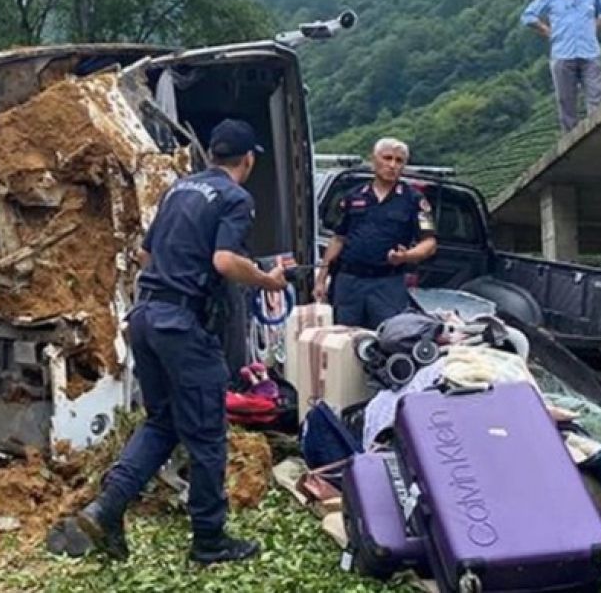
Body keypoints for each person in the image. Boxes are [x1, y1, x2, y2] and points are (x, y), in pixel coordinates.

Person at [46, 119, 286, 565]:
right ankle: (210, 540)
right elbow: (225, 260)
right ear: (248, 159)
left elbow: (144, 254)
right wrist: (266, 279)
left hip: (146, 317)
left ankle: (107, 509)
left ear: (212, 154)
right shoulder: (236, 198)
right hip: (183, 327)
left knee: (163, 422)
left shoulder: (180, 190)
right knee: (208, 435)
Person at [314, 137, 436, 330]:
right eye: (387, 158)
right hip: (349, 283)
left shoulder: (413, 199)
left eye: (399, 161)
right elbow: (338, 239)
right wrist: (321, 279)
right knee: (343, 339)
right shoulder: (353, 197)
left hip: (387, 283)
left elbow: (429, 243)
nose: (392, 165)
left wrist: (406, 256)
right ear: (374, 159)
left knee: (388, 338)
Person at [521, 0, 601, 132]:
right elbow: (528, 16)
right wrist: (546, 31)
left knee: (596, 95)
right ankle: (570, 138)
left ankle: (597, 132)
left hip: (590, 52)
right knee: (565, 100)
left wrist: (595, 28)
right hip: (562, 53)